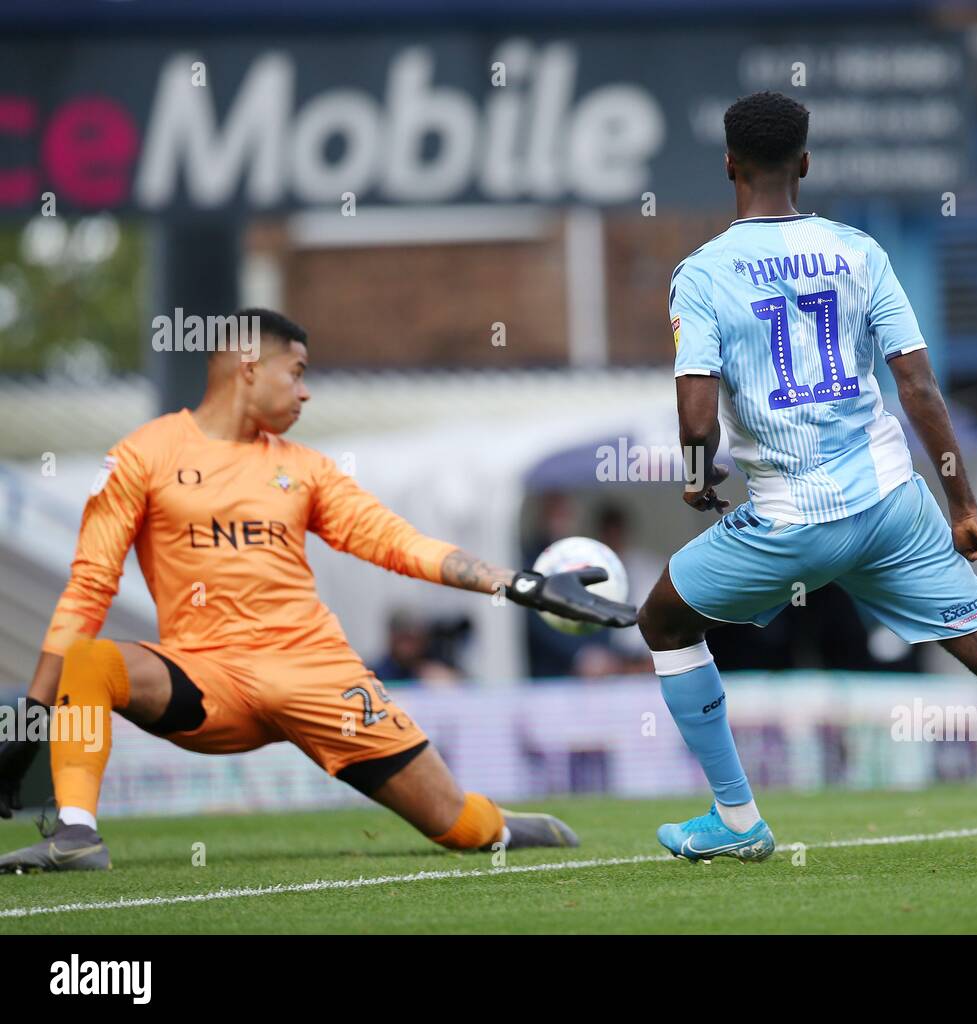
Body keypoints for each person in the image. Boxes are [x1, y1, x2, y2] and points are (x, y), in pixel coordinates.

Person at [636, 92, 977, 863]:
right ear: (805, 164)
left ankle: (737, 820)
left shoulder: (700, 275)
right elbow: (920, 388)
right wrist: (963, 505)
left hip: (792, 518)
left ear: (729, 165)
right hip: (893, 502)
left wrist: (699, 479)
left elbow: (697, 420)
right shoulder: (860, 251)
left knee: (664, 621)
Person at [0, 309, 635, 872]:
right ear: (248, 366)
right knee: (91, 662)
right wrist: (34, 714)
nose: (306, 392)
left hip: (318, 678)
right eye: (296, 371)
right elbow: (88, 587)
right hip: (207, 680)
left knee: (459, 827)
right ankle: (76, 835)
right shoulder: (143, 456)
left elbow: (397, 543)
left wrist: (520, 583)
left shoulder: (303, 468)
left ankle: (498, 824)